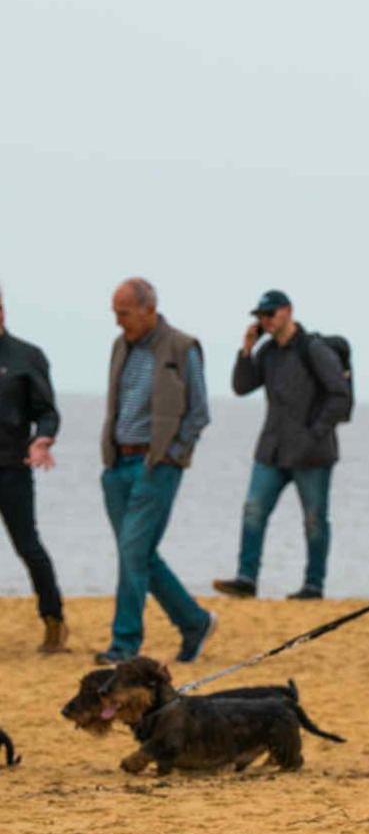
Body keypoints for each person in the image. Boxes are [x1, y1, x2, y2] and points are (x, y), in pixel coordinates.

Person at [99, 278, 216, 666]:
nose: (118, 322)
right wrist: (110, 457)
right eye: (115, 313)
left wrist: (171, 455)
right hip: (118, 466)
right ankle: (194, 622)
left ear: (149, 309)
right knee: (138, 555)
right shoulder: (121, 346)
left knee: (134, 552)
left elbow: (198, 412)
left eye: (124, 313)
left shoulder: (181, 348)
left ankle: (124, 644)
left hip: (155, 466)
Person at [212, 290, 350, 601]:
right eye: (261, 316)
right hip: (272, 450)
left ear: (287, 311)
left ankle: (313, 585)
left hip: (312, 453)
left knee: (314, 520)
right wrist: (247, 349)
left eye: (270, 314)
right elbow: (242, 386)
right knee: (253, 510)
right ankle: (246, 579)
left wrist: (315, 433)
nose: (265, 321)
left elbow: (339, 395)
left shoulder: (313, 349)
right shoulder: (268, 352)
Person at [0, 283, 67, 653]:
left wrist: (42, 439)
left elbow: (47, 412)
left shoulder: (26, 357)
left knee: (27, 546)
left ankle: (54, 619)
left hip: (11, 467)